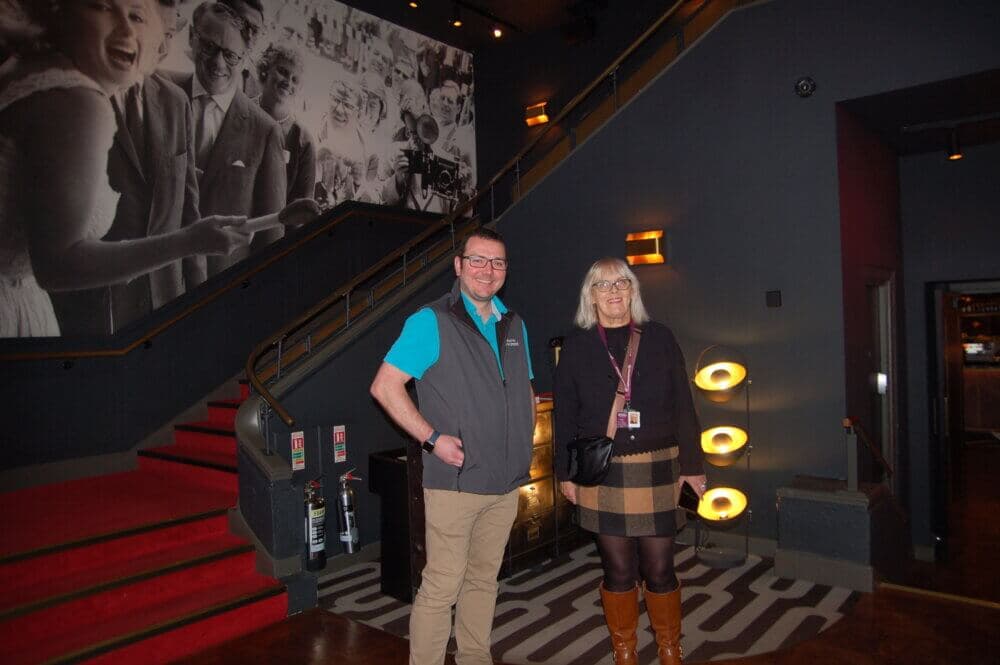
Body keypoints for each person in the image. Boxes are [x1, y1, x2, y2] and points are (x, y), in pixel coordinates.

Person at [0, 0, 249, 338]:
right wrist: (189, 241)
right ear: (60, 9)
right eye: (102, 6)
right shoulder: (76, 101)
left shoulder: (32, 68)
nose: (127, 29)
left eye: (136, 14)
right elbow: (58, 265)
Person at [370, 228, 535, 665]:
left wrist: (524, 441)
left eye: (497, 262)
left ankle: (474, 658)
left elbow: (523, 390)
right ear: (459, 265)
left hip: (505, 482)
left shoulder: (514, 323)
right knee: (442, 585)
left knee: (483, 580)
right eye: (477, 260)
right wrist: (431, 439)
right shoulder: (431, 321)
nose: (488, 270)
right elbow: (385, 387)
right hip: (456, 482)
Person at [554, 257, 707, 665]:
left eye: (622, 282)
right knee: (618, 570)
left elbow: (684, 405)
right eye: (603, 285)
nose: (614, 291)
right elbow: (565, 415)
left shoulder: (660, 337)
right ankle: (624, 649)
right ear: (591, 296)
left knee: (660, 567)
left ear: (633, 290)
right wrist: (565, 473)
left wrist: (693, 466)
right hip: (603, 471)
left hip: (658, 465)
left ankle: (670, 647)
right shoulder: (578, 345)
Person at [50, 0, 206, 335]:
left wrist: (201, 302)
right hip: (93, 307)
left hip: (165, 303)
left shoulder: (176, 102)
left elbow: (189, 212)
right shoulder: (71, 95)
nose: (161, 47)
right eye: (154, 32)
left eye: (170, 34)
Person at [171, 1, 287, 277]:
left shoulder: (266, 131)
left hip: (218, 285)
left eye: (231, 55)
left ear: (245, 57)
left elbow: (271, 241)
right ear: (192, 37)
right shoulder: (161, 92)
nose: (218, 62)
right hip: (152, 280)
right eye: (209, 47)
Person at [257, 43, 316, 204]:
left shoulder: (303, 141)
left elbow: (301, 208)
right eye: (283, 72)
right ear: (265, 69)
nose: (288, 82)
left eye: (295, 80)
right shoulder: (240, 110)